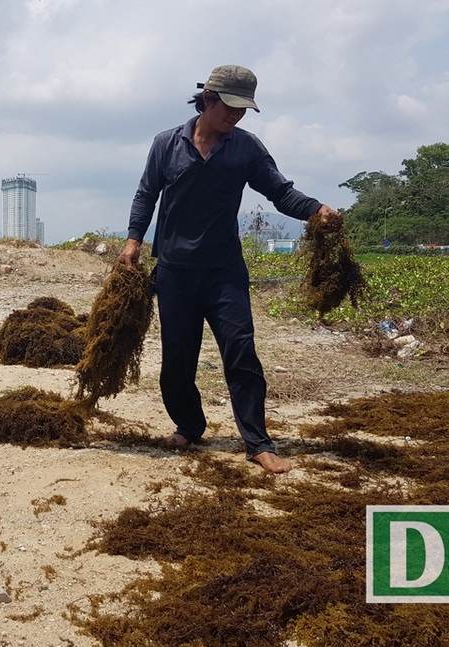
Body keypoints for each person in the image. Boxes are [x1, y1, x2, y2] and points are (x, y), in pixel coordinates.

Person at [117, 64, 342, 474]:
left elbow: (280, 191)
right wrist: (133, 240)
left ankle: (257, 442)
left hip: (224, 273)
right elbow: (146, 194)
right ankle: (189, 426)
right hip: (175, 271)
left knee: (241, 353)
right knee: (177, 359)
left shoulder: (246, 148)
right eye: (230, 107)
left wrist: (315, 209)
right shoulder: (166, 144)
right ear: (207, 99)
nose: (236, 116)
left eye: (243, 109)